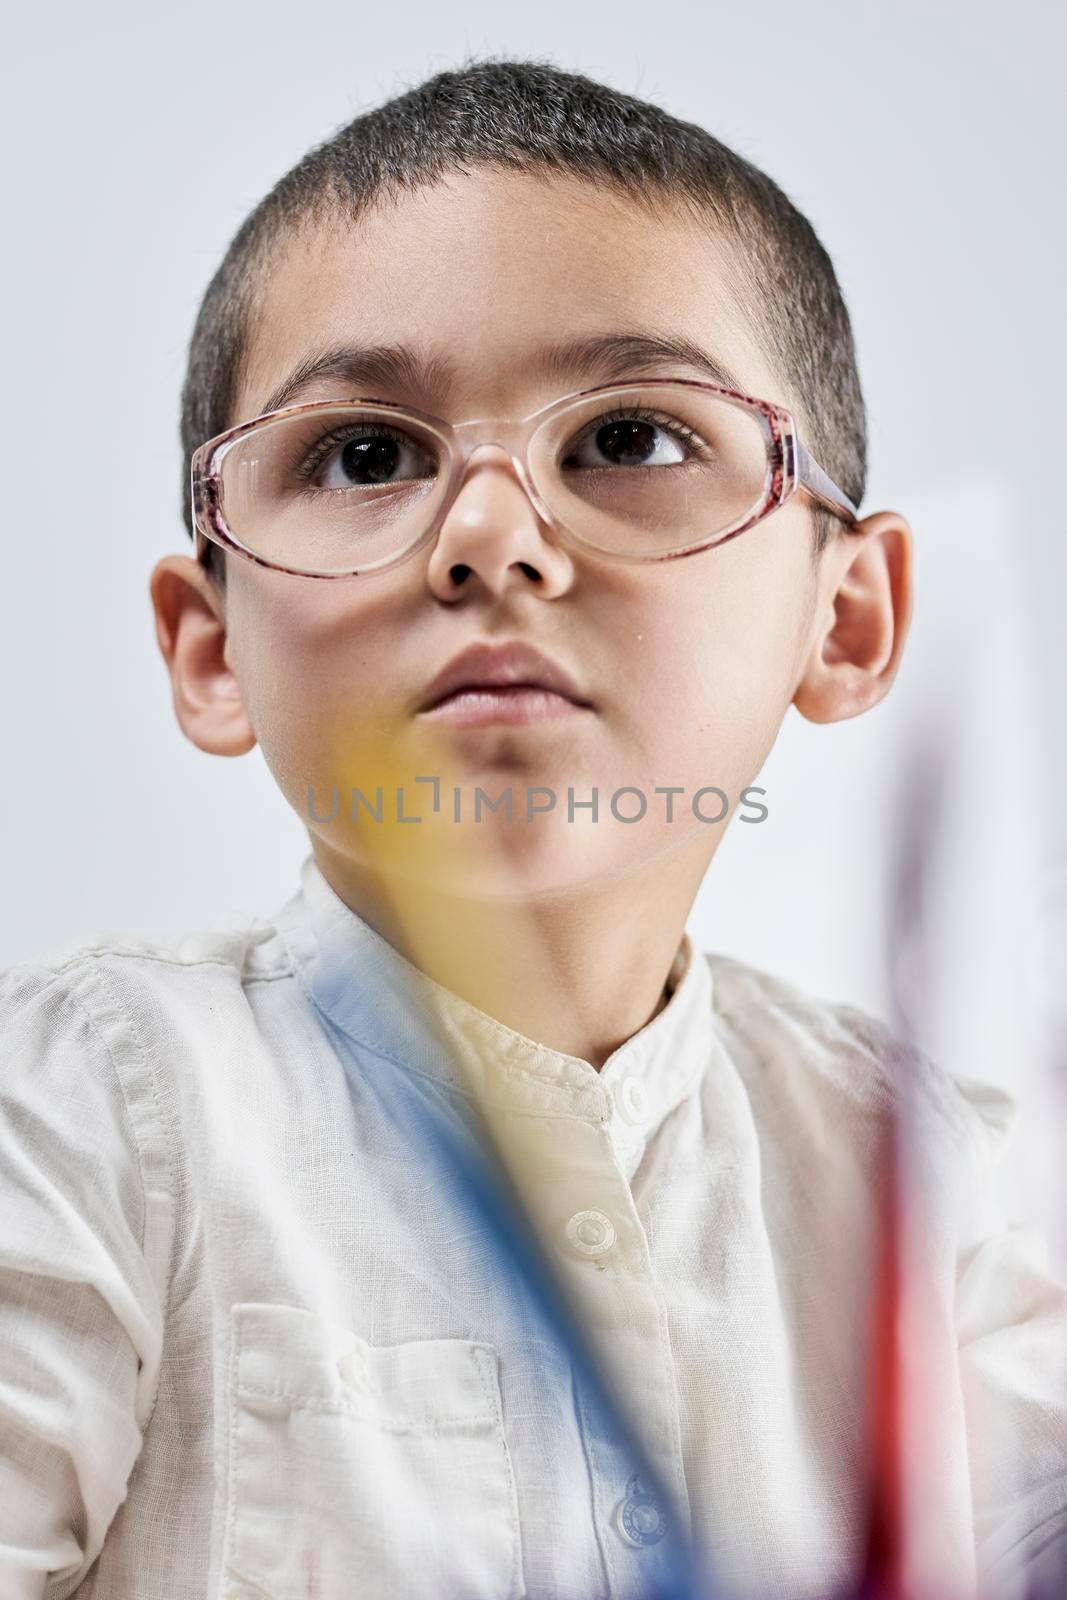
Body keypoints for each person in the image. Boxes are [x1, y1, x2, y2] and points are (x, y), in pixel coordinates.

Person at [1, 57, 1064, 1600]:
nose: (491, 539)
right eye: (366, 455)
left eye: (629, 441)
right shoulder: (78, 1114)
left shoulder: (954, 1204)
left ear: (845, 620)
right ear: (211, 646)